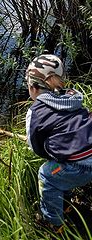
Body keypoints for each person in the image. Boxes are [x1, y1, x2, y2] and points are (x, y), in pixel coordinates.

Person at [25, 54, 92, 232]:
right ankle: (66, 202)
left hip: (81, 166)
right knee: (62, 167)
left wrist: (52, 151)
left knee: (47, 174)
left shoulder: (35, 112)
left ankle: (53, 223)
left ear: (32, 87)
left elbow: (36, 147)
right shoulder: (72, 97)